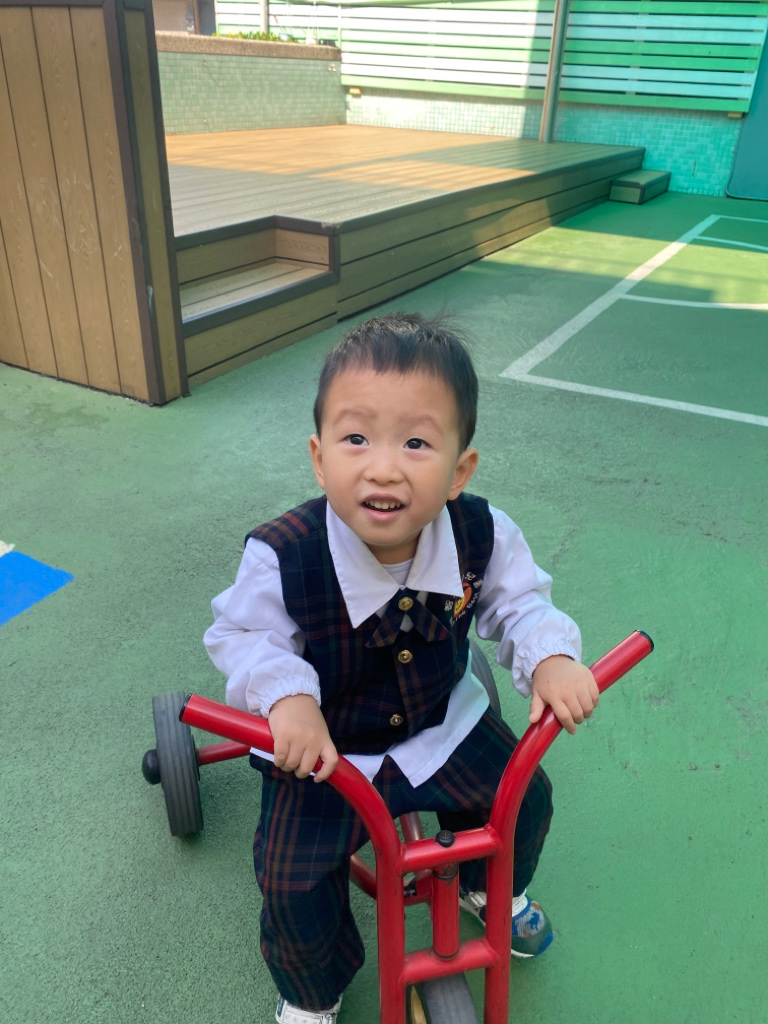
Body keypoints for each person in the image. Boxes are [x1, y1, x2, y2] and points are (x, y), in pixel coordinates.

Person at [204, 312, 599, 1024]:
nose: (383, 467)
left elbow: (521, 603)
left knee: (524, 798)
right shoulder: (283, 554)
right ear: (320, 458)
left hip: (441, 725)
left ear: (458, 471)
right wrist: (287, 698)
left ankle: (487, 886)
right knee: (291, 880)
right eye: (356, 439)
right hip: (327, 751)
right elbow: (243, 634)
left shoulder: (482, 533)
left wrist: (551, 657)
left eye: (416, 442)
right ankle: (312, 992)